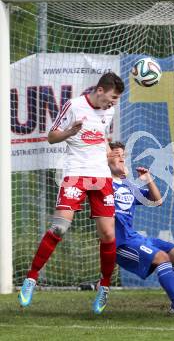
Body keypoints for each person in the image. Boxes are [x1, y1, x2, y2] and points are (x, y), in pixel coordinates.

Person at [19, 72, 125, 314]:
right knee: (58, 228)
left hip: (101, 176)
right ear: (100, 91)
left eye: (117, 99)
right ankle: (31, 278)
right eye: (112, 97)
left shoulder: (108, 111)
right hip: (76, 174)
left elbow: (101, 140)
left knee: (108, 235)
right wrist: (70, 131)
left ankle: (104, 286)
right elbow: (51, 137)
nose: (113, 102)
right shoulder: (74, 106)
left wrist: (112, 161)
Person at [108, 142, 174, 317]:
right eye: (116, 154)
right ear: (105, 159)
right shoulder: (102, 184)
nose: (122, 158)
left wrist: (148, 179)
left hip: (134, 237)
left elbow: (157, 201)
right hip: (120, 243)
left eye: (123, 155)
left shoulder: (127, 185)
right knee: (162, 257)